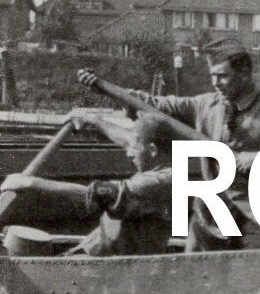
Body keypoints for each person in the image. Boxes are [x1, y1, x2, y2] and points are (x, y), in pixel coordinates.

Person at [77, 35, 260, 251]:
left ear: (244, 73)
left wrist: (258, 158)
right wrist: (104, 87)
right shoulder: (205, 106)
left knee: (253, 271)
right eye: (212, 76)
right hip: (211, 210)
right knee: (193, 266)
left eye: (222, 76)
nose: (215, 83)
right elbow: (153, 104)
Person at [0, 109, 175, 256]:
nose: (128, 153)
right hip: (96, 251)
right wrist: (91, 119)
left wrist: (29, 183)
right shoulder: (158, 161)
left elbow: (98, 194)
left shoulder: (160, 182)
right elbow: (127, 139)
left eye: (134, 148)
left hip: (111, 269)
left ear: (153, 150)